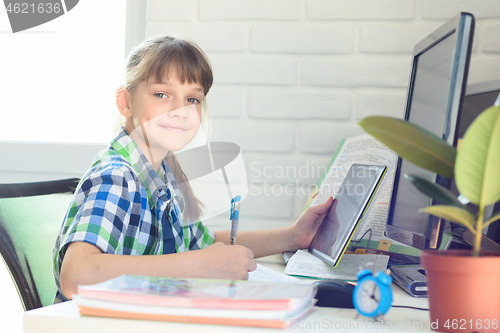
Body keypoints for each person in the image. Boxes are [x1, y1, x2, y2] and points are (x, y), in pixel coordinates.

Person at [52, 36, 334, 303]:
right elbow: (76, 275)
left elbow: (203, 244)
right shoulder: (117, 177)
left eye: (192, 99)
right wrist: (196, 265)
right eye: (162, 94)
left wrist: (294, 236)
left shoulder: (163, 176)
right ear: (126, 101)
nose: (179, 110)